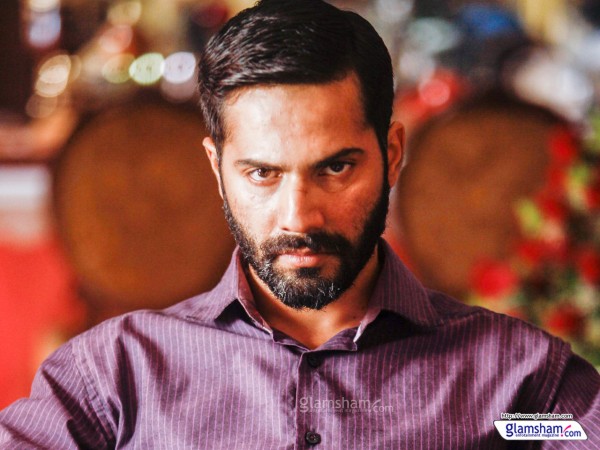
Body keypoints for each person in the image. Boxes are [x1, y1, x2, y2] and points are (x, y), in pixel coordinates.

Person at [1, 0, 599, 448]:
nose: (299, 217)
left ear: (392, 155)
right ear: (217, 170)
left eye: (335, 168)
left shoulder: (512, 393)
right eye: (262, 173)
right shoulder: (116, 382)